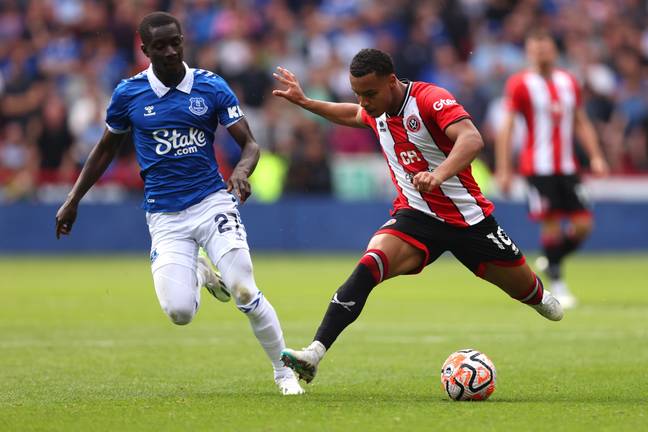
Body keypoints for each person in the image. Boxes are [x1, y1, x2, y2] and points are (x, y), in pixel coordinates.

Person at [272, 48, 563, 384]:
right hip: (416, 216)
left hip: (468, 221)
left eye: (370, 94)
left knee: (534, 297)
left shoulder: (429, 99)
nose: (364, 102)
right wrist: (306, 102)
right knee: (370, 264)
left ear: (392, 82)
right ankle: (314, 353)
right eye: (358, 94)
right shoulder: (374, 109)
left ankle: (540, 293)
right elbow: (352, 114)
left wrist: (438, 176)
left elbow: (472, 140)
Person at [54, 11, 303, 396]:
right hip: (165, 216)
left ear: (183, 40)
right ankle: (201, 274)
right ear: (145, 50)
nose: (170, 51)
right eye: (160, 46)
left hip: (211, 203)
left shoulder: (210, 86)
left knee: (243, 289)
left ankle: (283, 373)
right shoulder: (128, 94)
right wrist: (73, 199)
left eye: (176, 42)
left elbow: (251, 145)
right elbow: (105, 149)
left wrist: (240, 172)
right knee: (179, 313)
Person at [495, 29, 609, 308]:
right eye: (535, 49)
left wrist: (596, 155)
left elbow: (581, 121)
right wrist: (504, 168)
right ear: (528, 53)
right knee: (552, 223)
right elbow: (507, 127)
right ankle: (558, 282)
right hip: (537, 166)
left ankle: (551, 260)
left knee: (583, 225)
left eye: (545, 48)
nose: (540, 53)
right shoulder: (519, 84)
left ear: (554, 52)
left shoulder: (569, 81)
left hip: (568, 166)